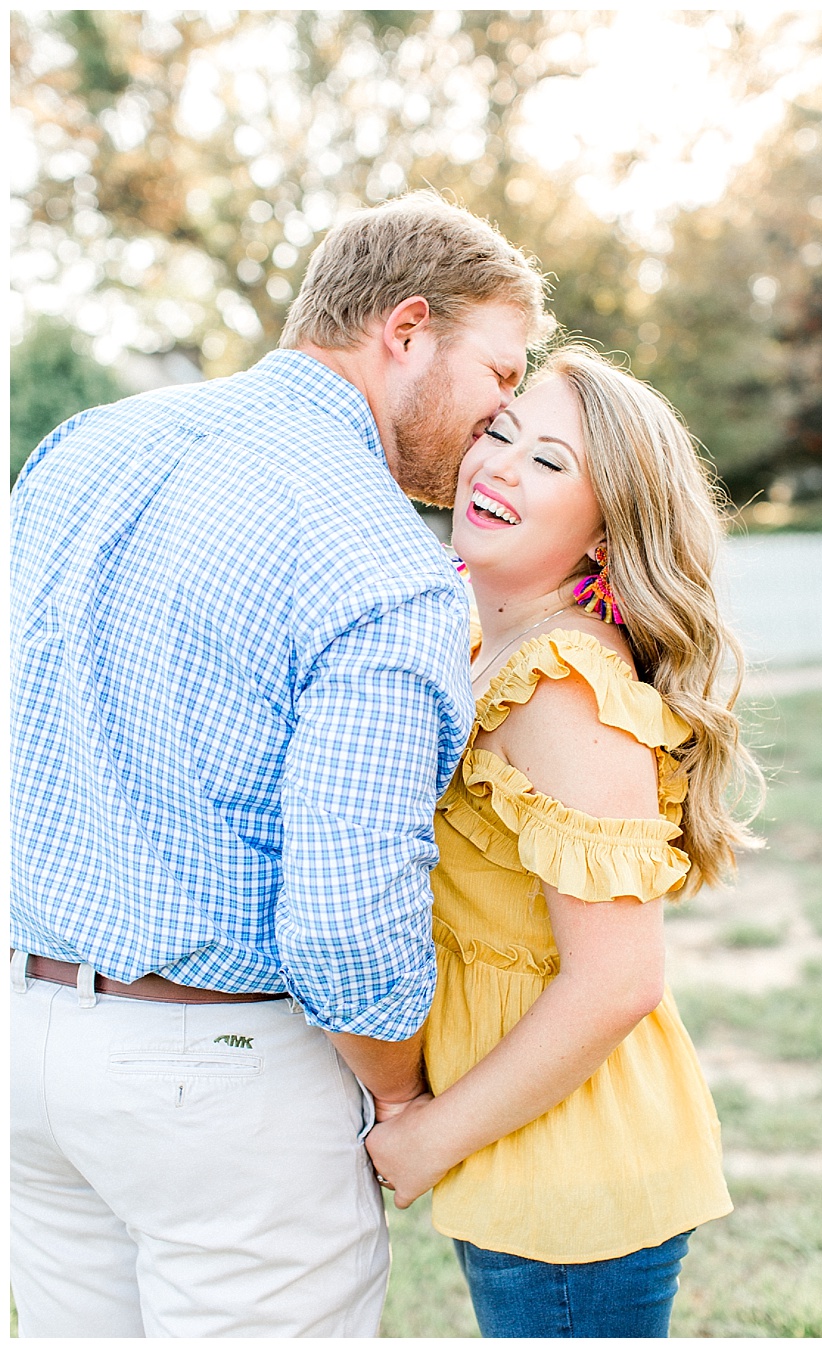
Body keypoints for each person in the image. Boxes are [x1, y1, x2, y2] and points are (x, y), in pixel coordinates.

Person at [10, 191, 552, 1336]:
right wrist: (401, 1096)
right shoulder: (380, 559)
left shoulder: (79, 452)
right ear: (408, 331)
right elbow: (347, 918)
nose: (501, 416)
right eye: (501, 375)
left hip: (27, 1047)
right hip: (220, 1077)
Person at [363, 346, 761, 1338]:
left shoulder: (560, 685)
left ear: (601, 536)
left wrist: (425, 1138)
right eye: (500, 434)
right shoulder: (480, 640)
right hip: (523, 1140)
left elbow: (616, 982)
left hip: (572, 1174)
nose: (500, 466)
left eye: (550, 463)